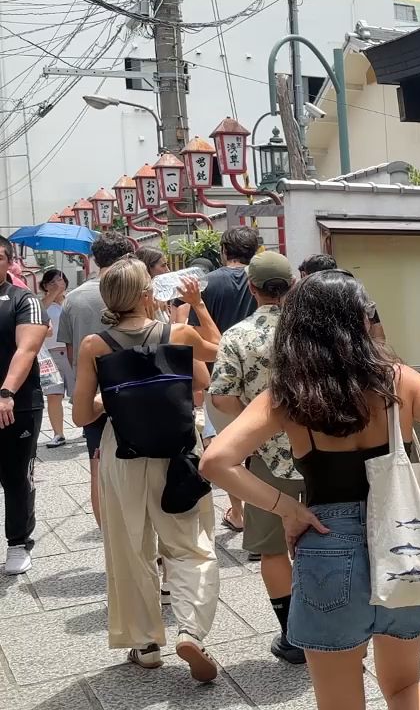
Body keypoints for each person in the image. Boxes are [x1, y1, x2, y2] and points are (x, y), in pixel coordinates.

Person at [200, 268, 420, 710]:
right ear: (361, 319)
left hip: (328, 543)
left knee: (339, 702)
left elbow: (216, 461)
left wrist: (287, 510)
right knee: (405, 687)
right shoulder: (398, 380)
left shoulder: (288, 393)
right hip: (405, 542)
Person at [70, 258, 222, 681]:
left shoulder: (94, 346)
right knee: (191, 543)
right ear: (146, 294)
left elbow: (82, 415)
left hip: (124, 450)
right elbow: (216, 356)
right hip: (177, 449)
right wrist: (196, 305)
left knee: (130, 545)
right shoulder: (179, 332)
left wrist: (113, 401)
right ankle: (191, 630)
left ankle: (146, 643)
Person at [207, 251, 306, 664]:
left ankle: (294, 637)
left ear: (251, 287)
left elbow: (221, 395)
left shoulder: (237, 336)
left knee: (272, 548)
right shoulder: (313, 331)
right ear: (293, 285)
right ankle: (336, 622)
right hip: (322, 451)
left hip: (268, 457)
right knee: (330, 538)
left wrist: (253, 419)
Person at [56, 230, 134, 527]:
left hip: (93, 396)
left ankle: (109, 539)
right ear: (127, 257)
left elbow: (70, 351)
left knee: (98, 467)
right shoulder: (138, 291)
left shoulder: (73, 299)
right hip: (137, 391)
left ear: (94, 258)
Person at [195, 227, 261, 534]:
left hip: (220, 376)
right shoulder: (260, 278)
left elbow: (196, 335)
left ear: (223, 250)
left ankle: (238, 511)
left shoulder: (208, 284)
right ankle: (265, 509)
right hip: (260, 371)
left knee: (228, 446)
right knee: (262, 441)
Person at [0, 238, 48, 576]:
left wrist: (6, 391)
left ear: (8, 261)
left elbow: (26, 349)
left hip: (16, 403)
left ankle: (18, 542)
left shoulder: (23, 300)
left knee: (16, 477)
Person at [297, 254, 387, 342]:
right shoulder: (355, 290)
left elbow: (378, 335)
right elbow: (379, 338)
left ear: (305, 275)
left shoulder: (303, 301)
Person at [40, 269, 72, 449]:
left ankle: (87, 424)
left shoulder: (71, 302)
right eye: (51, 282)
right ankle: (58, 433)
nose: (56, 285)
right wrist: (53, 293)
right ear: (44, 285)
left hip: (70, 351)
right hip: (50, 354)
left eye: (59, 281)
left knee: (79, 392)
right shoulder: (41, 304)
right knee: (53, 394)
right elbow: (38, 315)